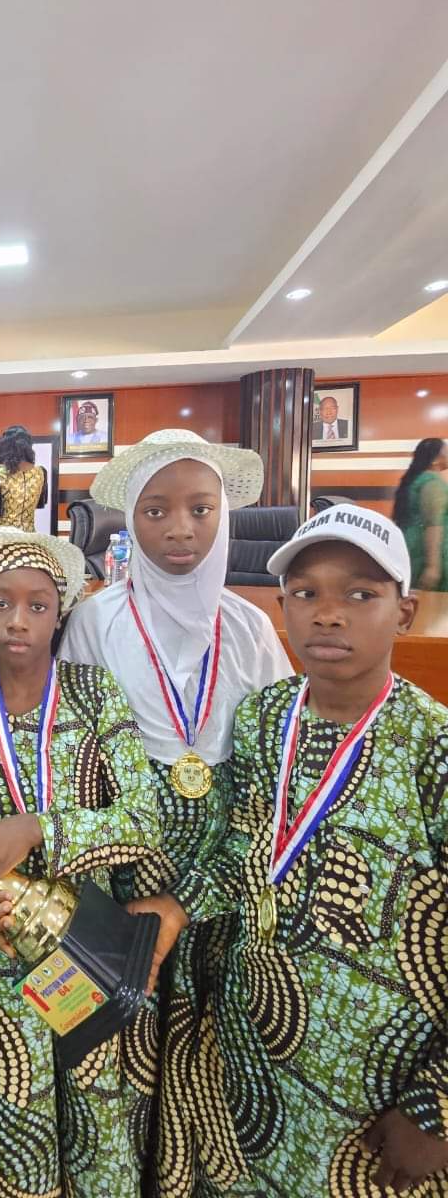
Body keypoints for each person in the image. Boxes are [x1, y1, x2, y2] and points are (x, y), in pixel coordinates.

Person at [137, 505, 448, 1196]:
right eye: (307, 594)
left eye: (360, 595)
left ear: (405, 612)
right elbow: (245, 845)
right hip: (253, 1054)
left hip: (376, 1091)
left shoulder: (434, 750)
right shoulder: (264, 717)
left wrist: (436, 1108)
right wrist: (178, 907)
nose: (328, 614)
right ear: (283, 608)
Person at [60, 428, 292, 1196]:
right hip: (126, 860)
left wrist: (203, 889)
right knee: (121, 1032)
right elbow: (74, 752)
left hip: (223, 864)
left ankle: (192, 1169)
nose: (180, 529)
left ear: (224, 514)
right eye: (155, 511)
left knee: (206, 1033)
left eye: (199, 508)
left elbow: (275, 768)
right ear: (129, 521)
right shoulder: (98, 620)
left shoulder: (254, 627)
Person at [0, 527, 163, 1198]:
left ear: (61, 611)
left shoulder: (95, 693)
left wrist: (36, 828)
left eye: (38, 605)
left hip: (79, 946)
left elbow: (145, 819)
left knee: (89, 1110)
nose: (18, 621)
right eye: (0, 604)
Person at [393, 436, 448, 590]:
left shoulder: (415, 480)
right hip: (430, 552)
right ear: (435, 459)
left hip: (413, 548)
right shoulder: (432, 483)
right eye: (446, 451)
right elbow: (433, 524)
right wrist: (433, 566)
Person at [0, 425, 48, 531]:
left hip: (1, 538)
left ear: (3, 447)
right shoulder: (41, 473)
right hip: (29, 537)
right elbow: (39, 504)